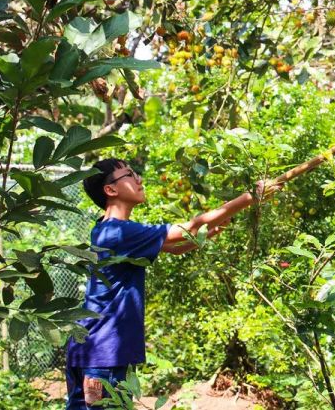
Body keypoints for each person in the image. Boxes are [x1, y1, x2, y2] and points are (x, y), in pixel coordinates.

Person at [65, 158, 279, 409]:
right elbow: (188, 228)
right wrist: (251, 197)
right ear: (110, 189)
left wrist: (207, 233)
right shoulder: (120, 232)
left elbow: (176, 246)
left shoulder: (107, 229)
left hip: (92, 349)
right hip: (104, 352)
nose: (139, 179)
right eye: (129, 175)